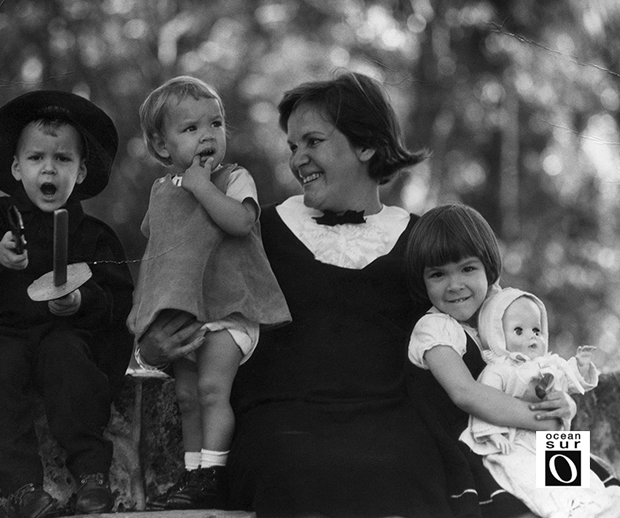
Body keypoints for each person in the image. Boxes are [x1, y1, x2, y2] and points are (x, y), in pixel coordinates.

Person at [138, 70, 453, 518]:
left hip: (391, 426)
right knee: (297, 468)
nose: (298, 158)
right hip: (281, 429)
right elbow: (183, 294)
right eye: (293, 146)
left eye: (313, 141)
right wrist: (152, 348)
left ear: (366, 146)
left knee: (413, 469)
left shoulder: (424, 240)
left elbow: (482, 322)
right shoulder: (252, 229)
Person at [0, 91, 134, 518]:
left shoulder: (95, 235)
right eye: (36, 158)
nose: (49, 168)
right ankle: (24, 488)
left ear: (82, 170)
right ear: (17, 168)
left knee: (70, 359)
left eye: (63, 159)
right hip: (3, 335)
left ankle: (92, 474)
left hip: (63, 335)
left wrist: (80, 300)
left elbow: (116, 298)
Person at [129, 76, 291, 510]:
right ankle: (193, 474)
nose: (207, 135)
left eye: (215, 124)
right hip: (187, 311)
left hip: (230, 308)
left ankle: (214, 473)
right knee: (186, 396)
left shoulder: (233, 177)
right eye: (190, 128)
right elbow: (159, 244)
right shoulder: (162, 190)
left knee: (212, 390)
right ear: (163, 148)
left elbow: (240, 222)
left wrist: (202, 186)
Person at [405, 203, 620, 517]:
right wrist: (543, 420)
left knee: (596, 499)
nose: (455, 285)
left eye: (467, 269)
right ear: (422, 281)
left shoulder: (505, 314)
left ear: (488, 269)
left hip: (534, 440)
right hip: (482, 446)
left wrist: (559, 406)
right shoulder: (435, 328)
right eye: (438, 274)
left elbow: (536, 371)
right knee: (531, 507)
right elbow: (466, 393)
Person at [459, 287, 620, 517]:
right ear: (497, 336)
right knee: (535, 485)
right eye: (519, 330)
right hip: (516, 439)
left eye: (536, 329)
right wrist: (492, 434)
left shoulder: (550, 363)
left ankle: (595, 507)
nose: (532, 336)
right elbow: (485, 402)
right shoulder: (500, 370)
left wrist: (582, 366)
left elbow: (574, 382)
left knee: (585, 487)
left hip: (554, 438)